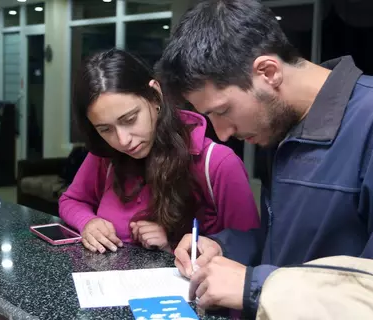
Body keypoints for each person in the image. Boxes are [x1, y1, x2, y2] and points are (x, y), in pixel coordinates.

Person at [155, 0, 373, 317]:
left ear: (268, 72)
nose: (223, 132)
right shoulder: (286, 125)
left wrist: (254, 286)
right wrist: (224, 246)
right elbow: (291, 242)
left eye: (222, 111)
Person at [59, 48, 260, 254]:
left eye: (129, 119)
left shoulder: (218, 163)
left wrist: (171, 244)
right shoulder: (107, 154)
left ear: (155, 95)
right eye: (105, 129)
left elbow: (248, 248)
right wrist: (88, 222)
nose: (122, 140)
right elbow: (71, 200)